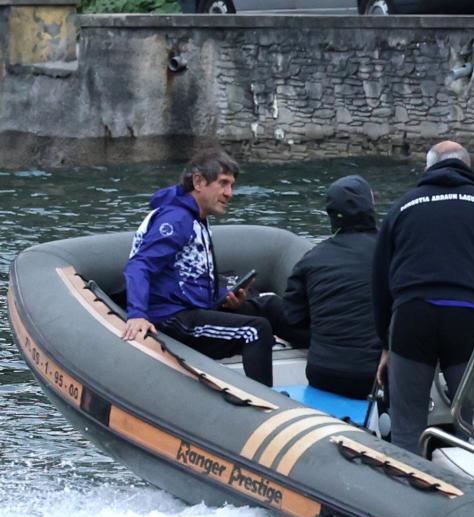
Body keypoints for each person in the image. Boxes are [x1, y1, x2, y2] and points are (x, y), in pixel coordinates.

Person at [373, 142, 474, 455]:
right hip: (467, 316)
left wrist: (385, 343)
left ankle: (406, 491)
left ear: (427, 168)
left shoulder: (402, 207)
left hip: (412, 315)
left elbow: (381, 281)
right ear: (468, 166)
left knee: (407, 426)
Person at [122, 150, 275, 386]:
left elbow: (188, 274)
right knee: (255, 331)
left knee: (260, 309)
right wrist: (137, 315)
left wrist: (224, 298)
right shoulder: (177, 220)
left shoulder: (196, 217)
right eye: (223, 184)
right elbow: (140, 265)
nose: (229, 193)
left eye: (232, 185)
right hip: (170, 316)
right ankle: (267, 405)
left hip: (188, 306)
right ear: (198, 182)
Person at [269, 175, 384, 398]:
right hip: (374, 375)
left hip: (323, 373)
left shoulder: (311, 259)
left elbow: (294, 317)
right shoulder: (392, 254)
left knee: (267, 303)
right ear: (369, 209)